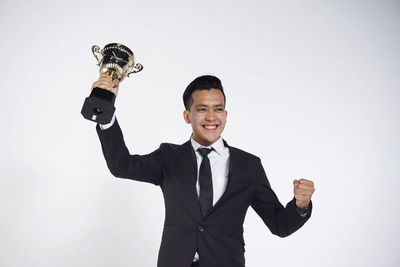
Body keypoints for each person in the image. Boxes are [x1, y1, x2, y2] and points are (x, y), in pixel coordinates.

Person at [92, 73, 315, 267]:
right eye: (202, 109)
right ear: (187, 116)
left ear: (225, 115)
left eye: (218, 109)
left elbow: (279, 225)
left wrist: (300, 206)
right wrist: (105, 108)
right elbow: (121, 166)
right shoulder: (168, 157)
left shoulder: (249, 165)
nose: (211, 117)